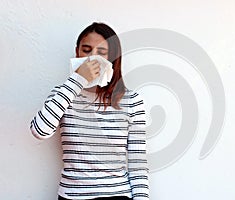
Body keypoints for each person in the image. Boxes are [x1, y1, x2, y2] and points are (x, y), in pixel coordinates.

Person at [30, 22, 149, 200]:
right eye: (86, 50)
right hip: (72, 196)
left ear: (113, 58)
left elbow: (137, 161)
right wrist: (78, 79)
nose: (92, 58)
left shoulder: (131, 100)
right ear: (77, 51)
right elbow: (39, 130)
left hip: (117, 194)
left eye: (101, 53)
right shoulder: (62, 94)